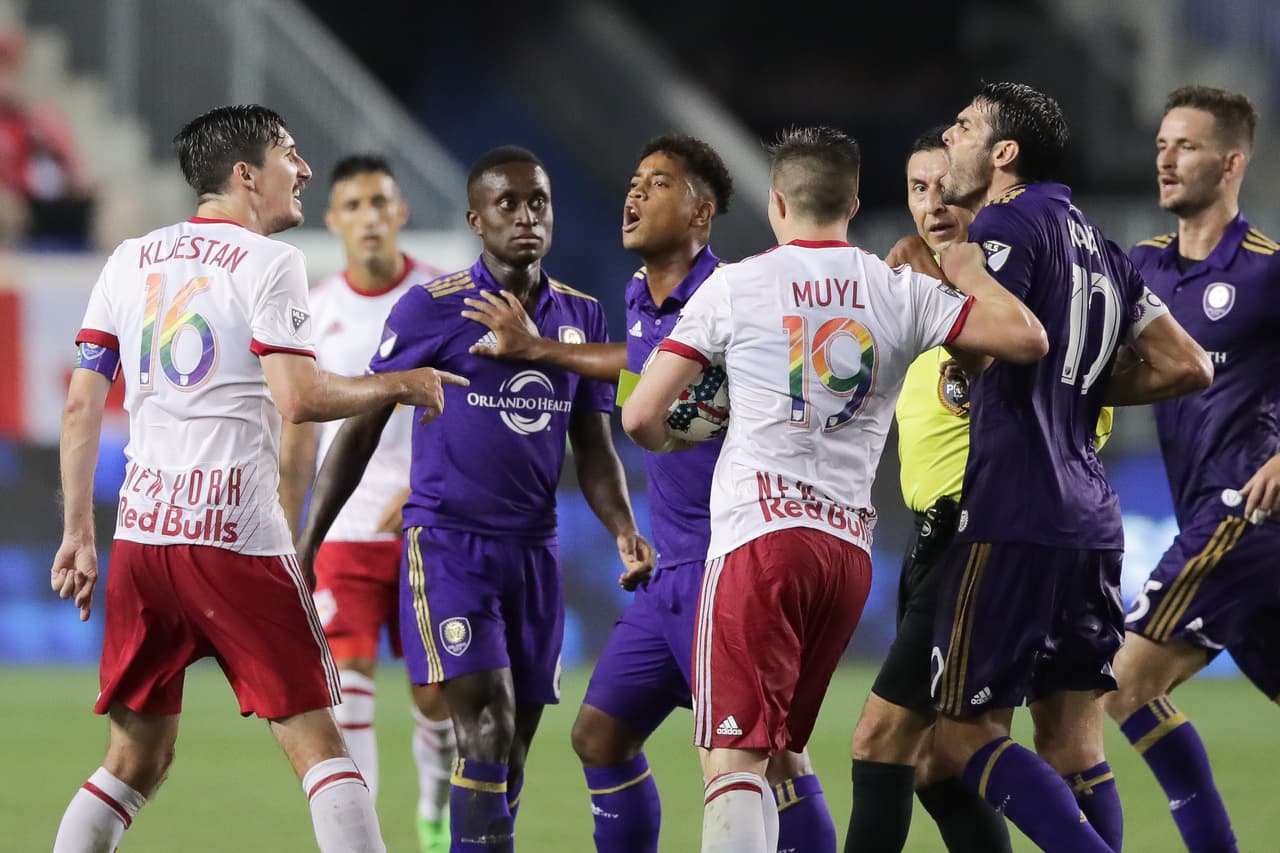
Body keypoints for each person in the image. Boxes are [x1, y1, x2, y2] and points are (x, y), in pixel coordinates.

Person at [622, 125, 1051, 853]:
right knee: (773, 752)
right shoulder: (900, 289)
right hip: (845, 555)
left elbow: (640, 416)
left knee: (734, 761)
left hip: (759, 539)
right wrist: (967, 271)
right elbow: (1028, 338)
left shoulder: (735, 285)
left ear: (777, 203)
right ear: (852, 204)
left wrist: (675, 437)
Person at [50, 104, 465, 853]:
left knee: (133, 760)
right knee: (321, 747)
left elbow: (81, 404)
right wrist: (399, 383)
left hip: (142, 540)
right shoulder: (271, 263)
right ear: (247, 174)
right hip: (235, 539)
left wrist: (79, 532)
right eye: (290, 155)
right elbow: (298, 399)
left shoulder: (129, 258)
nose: (302, 169)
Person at [461, 134, 838, 852]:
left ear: (701, 213)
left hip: (730, 565)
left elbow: (667, 365)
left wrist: (536, 347)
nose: (635, 192)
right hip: (672, 570)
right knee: (600, 735)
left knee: (772, 757)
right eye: (636, 180)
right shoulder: (640, 294)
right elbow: (645, 368)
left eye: (658, 183)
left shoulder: (735, 295)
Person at [297, 145, 653, 853]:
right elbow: (361, 428)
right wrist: (309, 541)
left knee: (510, 750)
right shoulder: (432, 308)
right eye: (507, 204)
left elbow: (593, 447)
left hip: (535, 552)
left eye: (538, 202)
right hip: (448, 545)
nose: (526, 217)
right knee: (486, 726)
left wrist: (622, 526)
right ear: (475, 220)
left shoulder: (580, 316)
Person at [926, 82, 1212, 853]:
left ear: (1004, 152)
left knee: (959, 739)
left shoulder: (1002, 223)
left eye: (964, 127)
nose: (949, 137)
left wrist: (958, 272)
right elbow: (1186, 363)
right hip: (1091, 519)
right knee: (1072, 746)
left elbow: (1001, 335)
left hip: (1014, 510)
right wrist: (1079, 386)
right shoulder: (1099, 244)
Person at [846, 127, 1117, 853]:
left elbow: (1062, 398)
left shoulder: (1014, 296)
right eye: (917, 188)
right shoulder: (909, 294)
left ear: (980, 190)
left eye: (946, 185)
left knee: (884, 739)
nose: (933, 203)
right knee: (943, 764)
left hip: (981, 535)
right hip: (943, 536)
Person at [1105, 85, 1280, 853]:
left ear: (1232, 163)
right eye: (1161, 146)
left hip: (1244, 513)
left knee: (1126, 680)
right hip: (1217, 524)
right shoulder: (1141, 266)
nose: (1167, 160)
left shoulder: (1268, 271)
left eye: (1187, 146)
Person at [278, 153, 456, 853]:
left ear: (401, 212)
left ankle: (435, 813)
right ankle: (363, 839)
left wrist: (425, 488)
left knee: (435, 701)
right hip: (345, 531)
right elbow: (299, 435)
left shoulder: (441, 296)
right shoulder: (314, 308)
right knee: (346, 692)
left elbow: (471, 410)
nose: (369, 217)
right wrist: (292, 535)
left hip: (428, 528)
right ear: (333, 220)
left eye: (380, 202)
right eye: (353, 206)